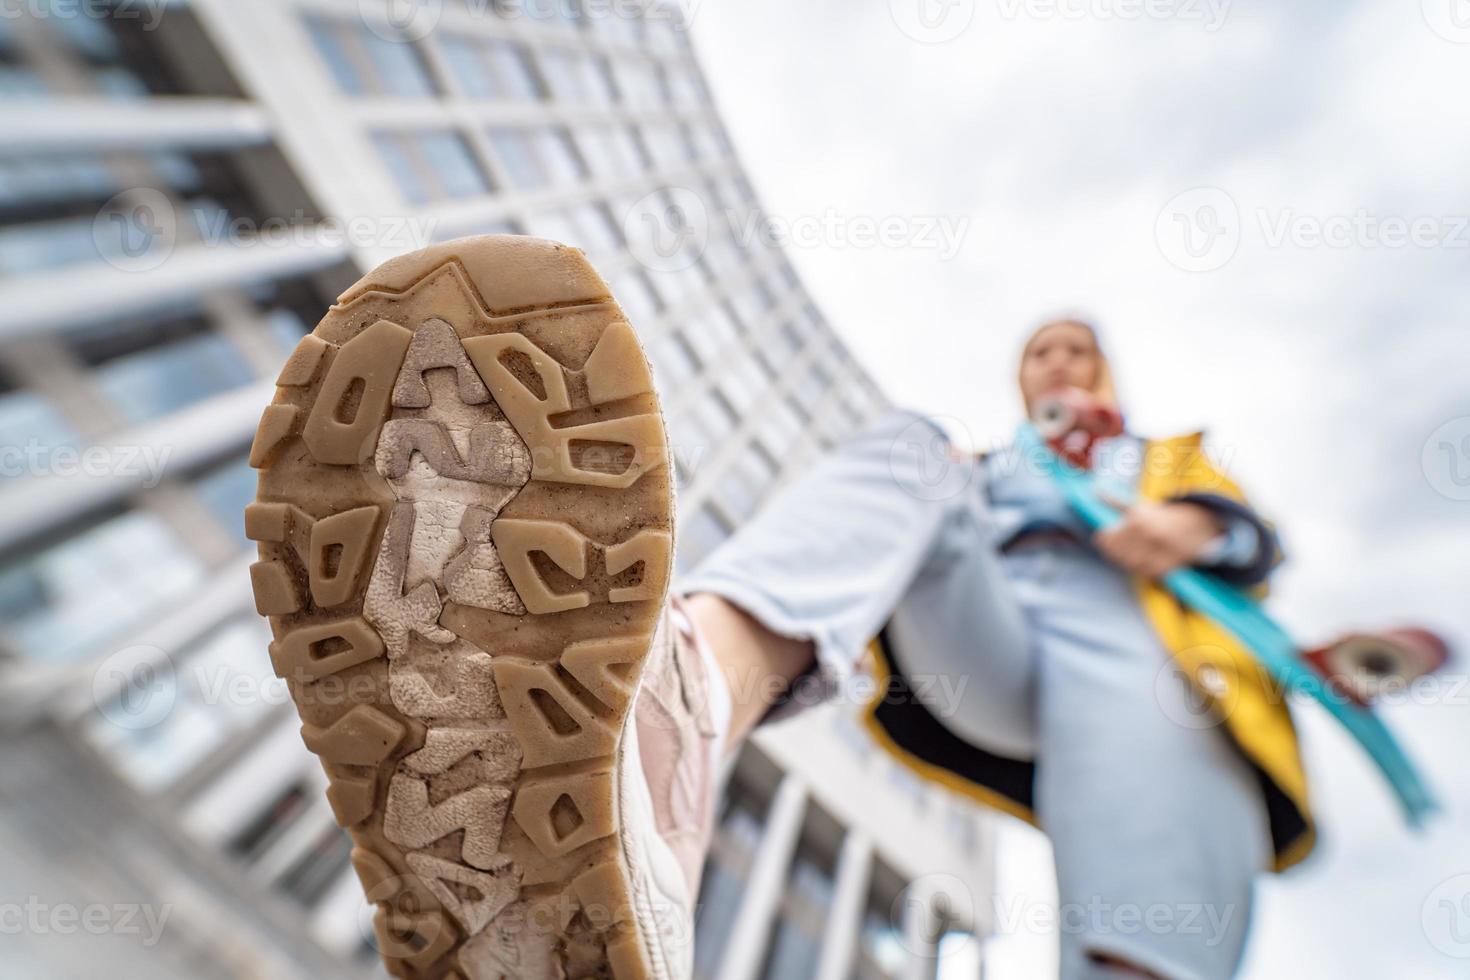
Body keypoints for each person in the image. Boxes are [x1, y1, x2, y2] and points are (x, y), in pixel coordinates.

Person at [247, 236, 1310, 980]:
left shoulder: (1168, 458)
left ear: (1105, 370)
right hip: (1004, 648)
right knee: (911, 445)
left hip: (1139, 657)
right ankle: (676, 724)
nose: (1058, 363)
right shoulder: (992, 466)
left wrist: (1197, 526)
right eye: (1042, 352)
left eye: (1076, 350)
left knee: (1143, 930)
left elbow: (1260, 541)